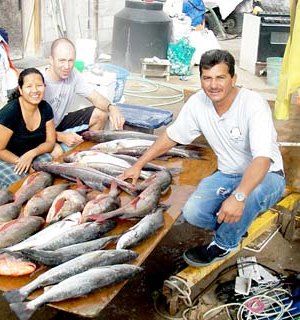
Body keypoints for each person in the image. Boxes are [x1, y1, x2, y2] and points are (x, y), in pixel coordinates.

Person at [119, 49, 285, 267]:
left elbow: (262, 160)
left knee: (250, 196)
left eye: (220, 77)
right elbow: (171, 136)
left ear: (233, 79)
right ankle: (237, 224)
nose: (213, 85)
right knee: (193, 213)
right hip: (228, 174)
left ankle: (224, 243)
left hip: (267, 176)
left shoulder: (253, 104)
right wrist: (139, 164)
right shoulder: (198, 103)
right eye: (207, 78)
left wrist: (238, 198)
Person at [43, 37, 125, 157]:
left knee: (101, 114)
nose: (67, 66)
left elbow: (94, 96)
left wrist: (112, 107)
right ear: (51, 60)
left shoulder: (73, 74)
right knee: (57, 152)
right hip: (41, 131)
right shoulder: (40, 82)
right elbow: (29, 127)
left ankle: (90, 155)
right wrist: (60, 136)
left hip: (58, 123)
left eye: (71, 60)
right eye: (62, 60)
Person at [0, 67, 56, 190]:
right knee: (24, 182)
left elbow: (50, 142)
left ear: (44, 87)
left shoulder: (45, 108)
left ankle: (4, 184)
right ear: (20, 89)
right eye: (29, 86)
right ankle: (2, 188)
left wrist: (31, 154)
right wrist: (25, 164)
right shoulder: (10, 112)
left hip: (24, 154)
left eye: (39, 85)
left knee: (49, 161)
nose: (35, 90)